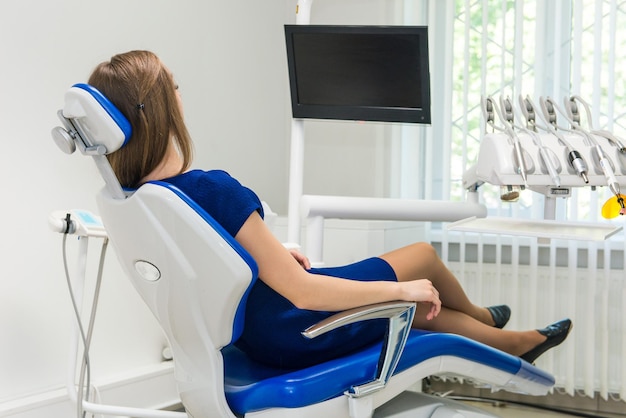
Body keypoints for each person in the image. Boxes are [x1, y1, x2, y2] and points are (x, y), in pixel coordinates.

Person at [87, 50, 572, 369]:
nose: (180, 95)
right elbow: (301, 291)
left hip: (255, 333)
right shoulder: (212, 189)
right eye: (175, 87)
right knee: (422, 263)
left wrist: (266, 259)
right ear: (162, 110)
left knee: (426, 304)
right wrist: (399, 289)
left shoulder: (139, 202)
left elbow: (210, 266)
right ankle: (493, 325)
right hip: (297, 326)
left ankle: (511, 338)